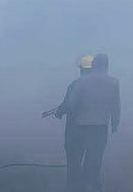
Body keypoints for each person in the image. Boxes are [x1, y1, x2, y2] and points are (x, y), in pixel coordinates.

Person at [67, 53, 120, 192]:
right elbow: (115, 106)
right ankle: (92, 185)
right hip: (100, 128)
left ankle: (78, 186)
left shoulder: (81, 82)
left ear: (93, 65)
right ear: (107, 65)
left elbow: (72, 105)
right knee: (94, 160)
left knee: (78, 158)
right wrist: (115, 123)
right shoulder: (113, 82)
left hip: (80, 127)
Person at [50, 55, 94, 192]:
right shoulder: (100, 88)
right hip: (93, 131)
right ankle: (85, 186)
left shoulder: (75, 85)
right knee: (90, 161)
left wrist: (58, 112)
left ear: (81, 69)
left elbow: (68, 105)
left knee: (73, 161)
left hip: (75, 130)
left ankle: (72, 187)